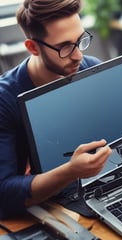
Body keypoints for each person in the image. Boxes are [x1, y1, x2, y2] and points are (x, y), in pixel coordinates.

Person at [0, 0, 112, 219]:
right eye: (64, 47)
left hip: (97, 191)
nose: (78, 55)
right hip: (44, 210)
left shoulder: (92, 69)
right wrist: (70, 172)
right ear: (33, 47)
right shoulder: (5, 100)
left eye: (80, 41)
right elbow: (4, 192)